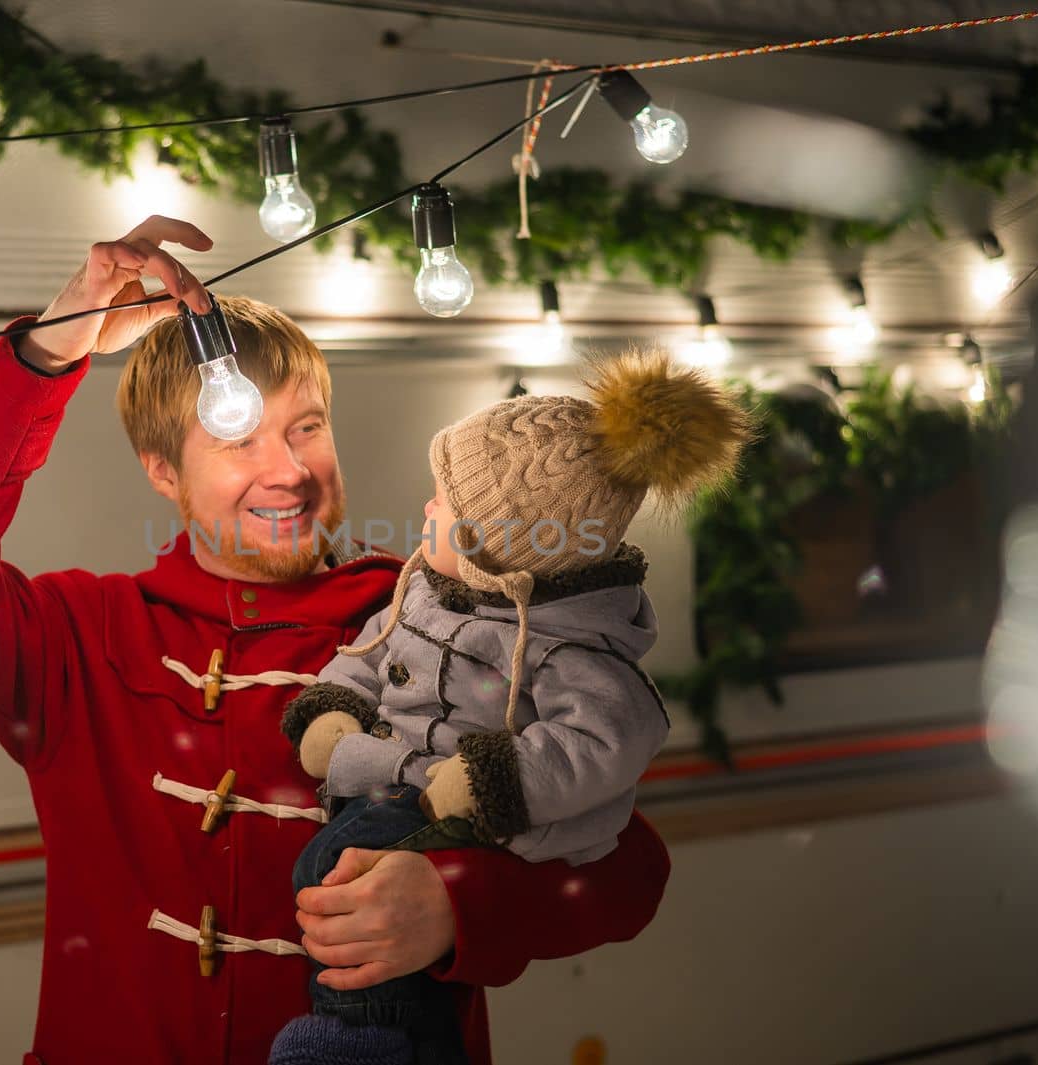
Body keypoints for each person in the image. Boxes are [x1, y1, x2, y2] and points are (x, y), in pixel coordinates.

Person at [0, 216, 672, 1065]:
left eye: (306, 426)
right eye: (238, 436)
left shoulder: (450, 620)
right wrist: (48, 353)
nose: (288, 469)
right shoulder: (80, 639)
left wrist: (457, 900)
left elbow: (629, 871)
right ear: (163, 469)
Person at [269, 354, 750, 1064]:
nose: (426, 510)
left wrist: (491, 782)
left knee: (345, 867)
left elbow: (611, 749)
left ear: (498, 553)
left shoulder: (560, 642)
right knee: (352, 878)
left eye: (444, 505)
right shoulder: (426, 588)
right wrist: (335, 704)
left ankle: (354, 1040)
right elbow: (374, 649)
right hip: (395, 778)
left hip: (447, 800)